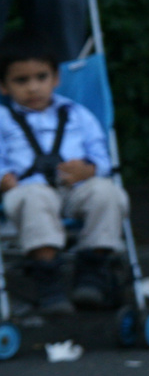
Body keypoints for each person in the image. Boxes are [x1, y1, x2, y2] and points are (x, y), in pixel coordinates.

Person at [0, 35, 126, 314]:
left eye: (41, 77)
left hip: (74, 189)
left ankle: (92, 271)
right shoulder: (3, 119)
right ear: (4, 87)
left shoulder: (77, 114)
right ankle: (49, 282)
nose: (33, 87)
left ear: (56, 78)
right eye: (21, 81)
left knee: (108, 194)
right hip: (27, 189)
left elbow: (100, 152)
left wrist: (90, 168)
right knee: (33, 199)